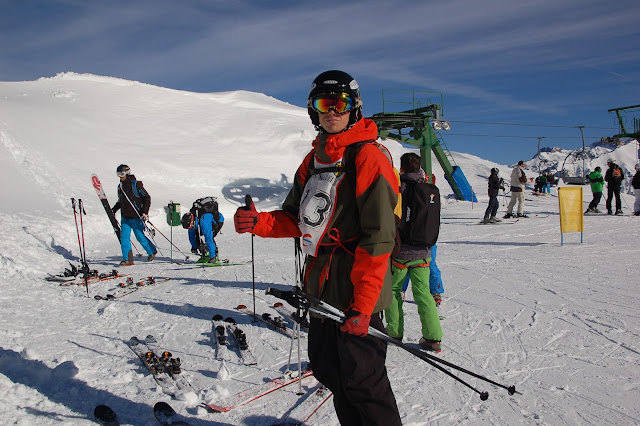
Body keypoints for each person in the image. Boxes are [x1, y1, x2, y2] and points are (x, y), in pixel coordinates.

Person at [233, 70, 402, 425]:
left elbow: (379, 236)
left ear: (354, 107)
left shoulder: (368, 157)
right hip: (321, 290)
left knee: (363, 384)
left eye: (340, 103)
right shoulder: (312, 162)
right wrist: (260, 222)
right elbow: (297, 218)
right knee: (331, 373)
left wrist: (364, 303)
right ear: (314, 110)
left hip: (357, 291)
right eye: (324, 104)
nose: (332, 111)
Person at [385, 152, 442, 353]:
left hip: (401, 251)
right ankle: (433, 337)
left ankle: (394, 332)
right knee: (423, 293)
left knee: (393, 292)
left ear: (401, 168)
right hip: (424, 252)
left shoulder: (399, 187)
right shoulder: (429, 189)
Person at [111, 164, 156, 266]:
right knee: (124, 238)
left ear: (127, 173)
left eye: (122, 174)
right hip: (125, 217)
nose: (120, 176)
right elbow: (121, 201)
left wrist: (144, 212)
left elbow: (147, 198)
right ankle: (127, 259)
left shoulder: (136, 185)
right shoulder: (120, 187)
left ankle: (151, 251)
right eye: (118, 174)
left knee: (140, 236)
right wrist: (113, 210)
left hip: (136, 216)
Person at [181, 198, 225, 263]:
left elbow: (208, 238)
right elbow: (192, 235)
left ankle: (214, 257)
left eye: (191, 226)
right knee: (197, 238)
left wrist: (212, 256)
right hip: (200, 223)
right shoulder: (192, 219)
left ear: (192, 222)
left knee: (209, 237)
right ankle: (205, 255)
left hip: (216, 222)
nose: (191, 228)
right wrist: (194, 247)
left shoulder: (204, 222)